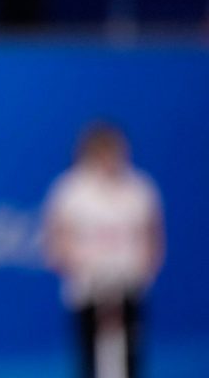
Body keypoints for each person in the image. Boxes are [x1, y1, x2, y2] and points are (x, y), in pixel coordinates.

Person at [43, 122, 164, 378]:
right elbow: (55, 240)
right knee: (88, 361)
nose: (111, 158)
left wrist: (143, 270)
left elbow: (153, 236)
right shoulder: (70, 191)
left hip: (130, 287)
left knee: (132, 357)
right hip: (87, 290)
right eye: (104, 151)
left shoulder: (140, 188)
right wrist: (78, 265)